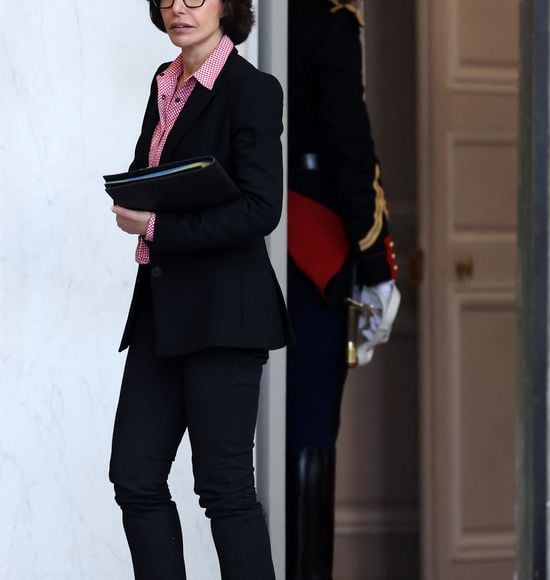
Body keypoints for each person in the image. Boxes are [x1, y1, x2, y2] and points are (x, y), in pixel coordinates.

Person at [107, 1, 290, 579]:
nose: (179, 7)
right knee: (135, 476)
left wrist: (159, 225)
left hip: (225, 315)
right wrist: (137, 201)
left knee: (225, 490)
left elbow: (261, 210)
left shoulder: (252, 89)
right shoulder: (164, 82)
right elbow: (149, 177)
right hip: (162, 310)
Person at [286, 0, 399, 578]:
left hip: (245, 243)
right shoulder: (328, 19)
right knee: (309, 427)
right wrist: (378, 268)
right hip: (311, 258)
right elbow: (349, 151)